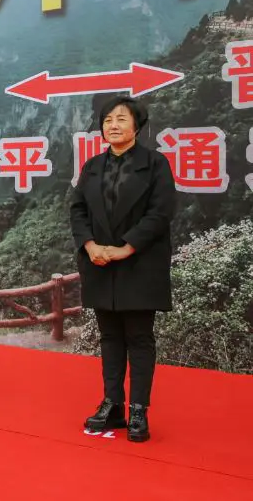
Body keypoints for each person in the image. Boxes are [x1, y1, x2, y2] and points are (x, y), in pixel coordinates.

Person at [70, 95, 176, 443]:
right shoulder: (92, 166)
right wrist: (91, 246)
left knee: (139, 338)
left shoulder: (155, 164)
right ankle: (112, 404)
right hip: (100, 263)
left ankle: (139, 411)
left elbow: (160, 214)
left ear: (137, 125)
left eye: (120, 119)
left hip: (139, 264)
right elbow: (78, 211)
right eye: (107, 121)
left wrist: (125, 248)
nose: (112, 126)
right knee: (110, 337)